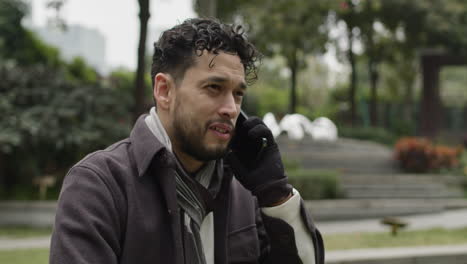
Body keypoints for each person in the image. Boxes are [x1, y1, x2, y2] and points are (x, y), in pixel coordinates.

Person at [49, 18, 324, 264]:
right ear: (164, 90)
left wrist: (276, 195)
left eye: (238, 94)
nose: (230, 108)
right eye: (214, 88)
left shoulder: (245, 191)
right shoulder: (100, 186)